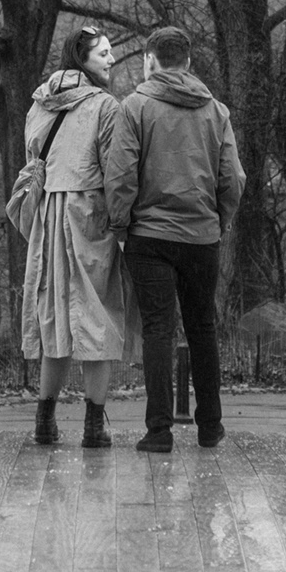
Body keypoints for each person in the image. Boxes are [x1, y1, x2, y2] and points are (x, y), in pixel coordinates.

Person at [104, 25, 245, 452]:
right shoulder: (215, 111)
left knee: (158, 331)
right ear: (188, 62)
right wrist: (219, 221)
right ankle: (210, 427)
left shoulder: (135, 107)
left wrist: (121, 227)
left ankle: (159, 431)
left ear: (150, 60)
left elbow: (121, 174)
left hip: (149, 236)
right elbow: (233, 178)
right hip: (201, 236)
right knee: (203, 328)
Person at [20, 26, 134, 448]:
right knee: (96, 316)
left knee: (55, 315)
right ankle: (93, 426)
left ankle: (44, 422)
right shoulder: (105, 106)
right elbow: (115, 171)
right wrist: (122, 225)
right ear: (81, 58)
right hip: (89, 214)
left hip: (48, 216)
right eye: (103, 53)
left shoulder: (40, 102)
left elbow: (32, 158)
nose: (111, 59)